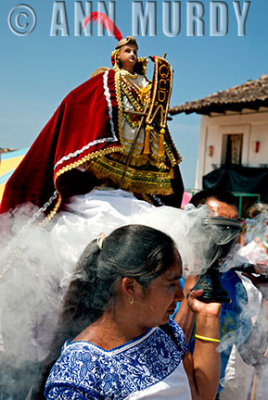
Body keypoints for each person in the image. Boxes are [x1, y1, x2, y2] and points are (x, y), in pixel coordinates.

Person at [0, 29, 183, 224]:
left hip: (129, 191)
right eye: (128, 50)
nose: (132, 55)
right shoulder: (104, 85)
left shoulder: (141, 85)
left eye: (134, 51)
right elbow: (73, 102)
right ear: (117, 55)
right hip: (90, 197)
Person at [31, 224, 221, 400]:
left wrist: (207, 318)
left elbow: (199, 396)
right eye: (171, 285)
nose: (180, 296)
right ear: (131, 287)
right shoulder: (79, 371)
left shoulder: (165, 332)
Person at [174, 188, 252, 398]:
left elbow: (250, 349)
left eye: (233, 228)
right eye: (219, 228)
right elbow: (165, 349)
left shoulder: (235, 285)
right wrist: (191, 285)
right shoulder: (170, 277)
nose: (226, 239)